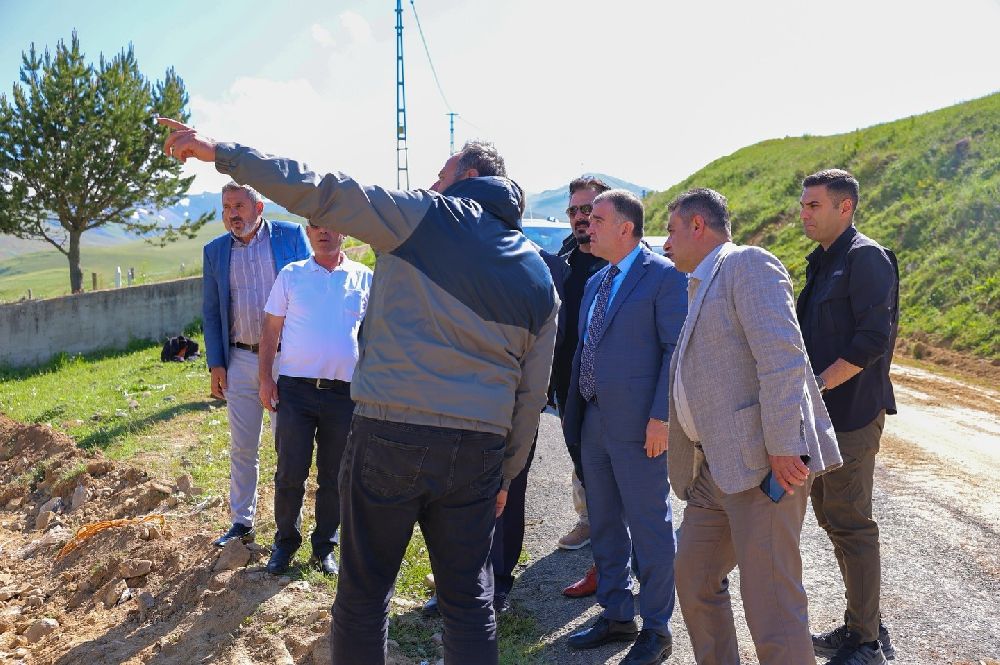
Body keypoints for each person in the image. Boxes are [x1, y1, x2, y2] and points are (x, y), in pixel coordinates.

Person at [159, 119, 559, 665]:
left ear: (467, 175)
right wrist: (505, 474)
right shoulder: (537, 272)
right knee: (468, 602)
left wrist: (223, 153)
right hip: (477, 454)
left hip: (391, 436)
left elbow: (323, 190)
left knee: (365, 596)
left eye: (441, 173)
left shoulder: (424, 218)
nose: (431, 181)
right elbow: (531, 396)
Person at [664, 188, 842, 665]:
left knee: (772, 606)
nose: (665, 243)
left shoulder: (748, 265)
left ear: (697, 226)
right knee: (694, 576)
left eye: (671, 229)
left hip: (763, 465)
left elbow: (782, 357)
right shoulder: (702, 283)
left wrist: (786, 445)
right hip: (714, 470)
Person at [561, 189, 687, 665]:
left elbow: (675, 351)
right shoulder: (596, 281)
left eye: (596, 218)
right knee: (606, 522)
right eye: (587, 218)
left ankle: (657, 628)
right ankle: (616, 612)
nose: (586, 225)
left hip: (642, 427)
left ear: (625, 228)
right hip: (593, 419)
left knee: (650, 525)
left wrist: (662, 418)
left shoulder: (663, 277)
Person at [797, 169, 899, 665]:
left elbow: (872, 339)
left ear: (845, 208)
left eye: (814, 205)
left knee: (850, 523)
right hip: (822, 417)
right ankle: (866, 617)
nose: (804, 213)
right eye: (803, 205)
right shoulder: (821, 262)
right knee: (833, 517)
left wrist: (818, 385)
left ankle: (865, 641)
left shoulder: (866, 259)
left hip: (852, 415)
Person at [257, 222, 373, 576]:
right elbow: (270, 329)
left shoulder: (364, 278)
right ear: (308, 232)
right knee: (290, 471)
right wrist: (265, 378)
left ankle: (325, 547)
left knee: (335, 476)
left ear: (345, 233)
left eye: (332, 225)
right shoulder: (291, 276)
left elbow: (373, 335)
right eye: (316, 226)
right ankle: (284, 543)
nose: (323, 232)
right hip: (296, 391)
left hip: (345, 395)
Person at [201, 181, 310, 548]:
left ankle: (288, 527)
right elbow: (212, 312)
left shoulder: (290, 236)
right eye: (226, 207)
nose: (233, 213)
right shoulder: (215, 252)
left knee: (289, 446)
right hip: (240, 360)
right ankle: (241, 522)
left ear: (258, 207)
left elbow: (308, 292)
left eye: (239, 206)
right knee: (243, 447)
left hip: (287, 359)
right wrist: (216, 362)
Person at [553, 177, 610, 598]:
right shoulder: (565, 258)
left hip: (608, 393)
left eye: (587, 210)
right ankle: (593, 527)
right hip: (566, 386)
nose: (579, 218)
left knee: (617, 478)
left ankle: (620, 568)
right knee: (582, 462)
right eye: (574, 210)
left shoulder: (621, 263)